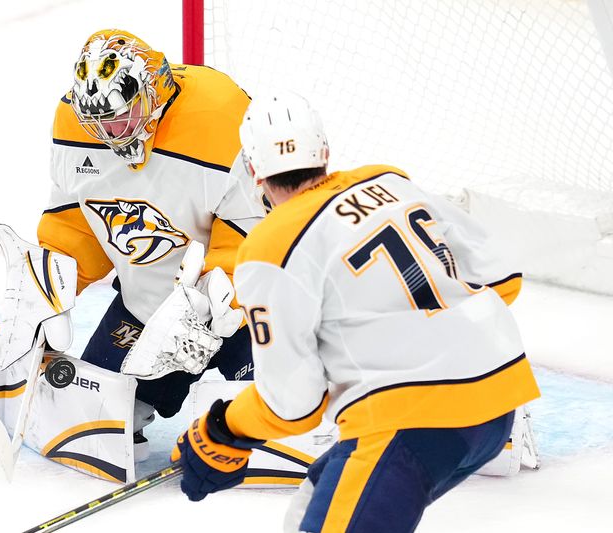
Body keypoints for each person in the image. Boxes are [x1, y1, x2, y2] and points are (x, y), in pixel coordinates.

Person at [171, 92, 540, 532]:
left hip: (410, 423)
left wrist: (221, 428)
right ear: (325, 153)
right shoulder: (390, 181)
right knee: (309, 511)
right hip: (499, 406)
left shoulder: (270, 246)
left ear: (253, 171)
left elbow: (293, 405)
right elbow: (503, 279)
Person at [36, 29, 265, 456]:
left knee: (273, 414)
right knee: (91, 419)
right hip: (146, 305)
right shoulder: (74, 126)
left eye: (121, 114)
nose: (110, 131)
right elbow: (75, 226)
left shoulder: (221, 116)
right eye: (98, 121)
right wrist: (48, 286)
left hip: (243, 312)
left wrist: (210, 306)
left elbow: (253, 236)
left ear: (154, 87)